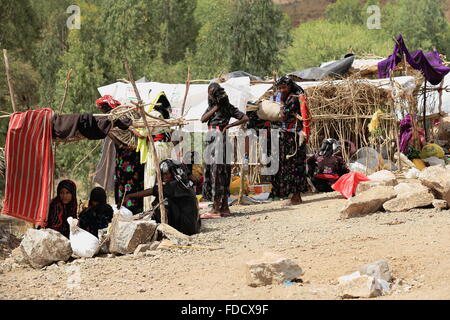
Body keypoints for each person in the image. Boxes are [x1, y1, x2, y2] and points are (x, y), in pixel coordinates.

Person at [200, 82, 249, 218]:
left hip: (218, 141)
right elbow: (203, 119)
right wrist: (215, 108)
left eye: (210, 94)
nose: (209, 96)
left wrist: (228, 126)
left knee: (218, 173)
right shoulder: (212, 107)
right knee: (220, 173)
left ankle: (216, 209)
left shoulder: (227, 107)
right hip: (213, 139)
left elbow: (245, 117)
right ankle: (224, 208)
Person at [96, 95, 145, 215]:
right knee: (131, 181)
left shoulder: (113, 117)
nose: (101, 110)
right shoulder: (124, 113)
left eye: (102, 107)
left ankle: (125, 209)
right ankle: (131, 209)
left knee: (125, 182)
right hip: (131, 153)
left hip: (125, 155)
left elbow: (109, 132)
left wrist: (121, 144)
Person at [123, 159, 200, 236]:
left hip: (186, 229)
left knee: (161, 202)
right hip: (193, 226)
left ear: (173, 173)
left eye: (166, 174)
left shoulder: (174, 186)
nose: (164, 177)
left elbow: (152, 190)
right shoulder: (183, 183)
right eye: (162, 175)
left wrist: (130, 196)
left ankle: (164, 231)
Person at [270, 76, 309, 205]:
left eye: (284, 87)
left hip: (293, 138)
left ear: (290, 86)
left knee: (294, 166)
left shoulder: (292, 99)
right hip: (289, 136)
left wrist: (280, 102)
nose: (282, 90)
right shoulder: (290, 97)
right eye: (280, 88)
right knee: (291, 166)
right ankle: (294, 196)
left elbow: (282, 116)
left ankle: (296, 197)